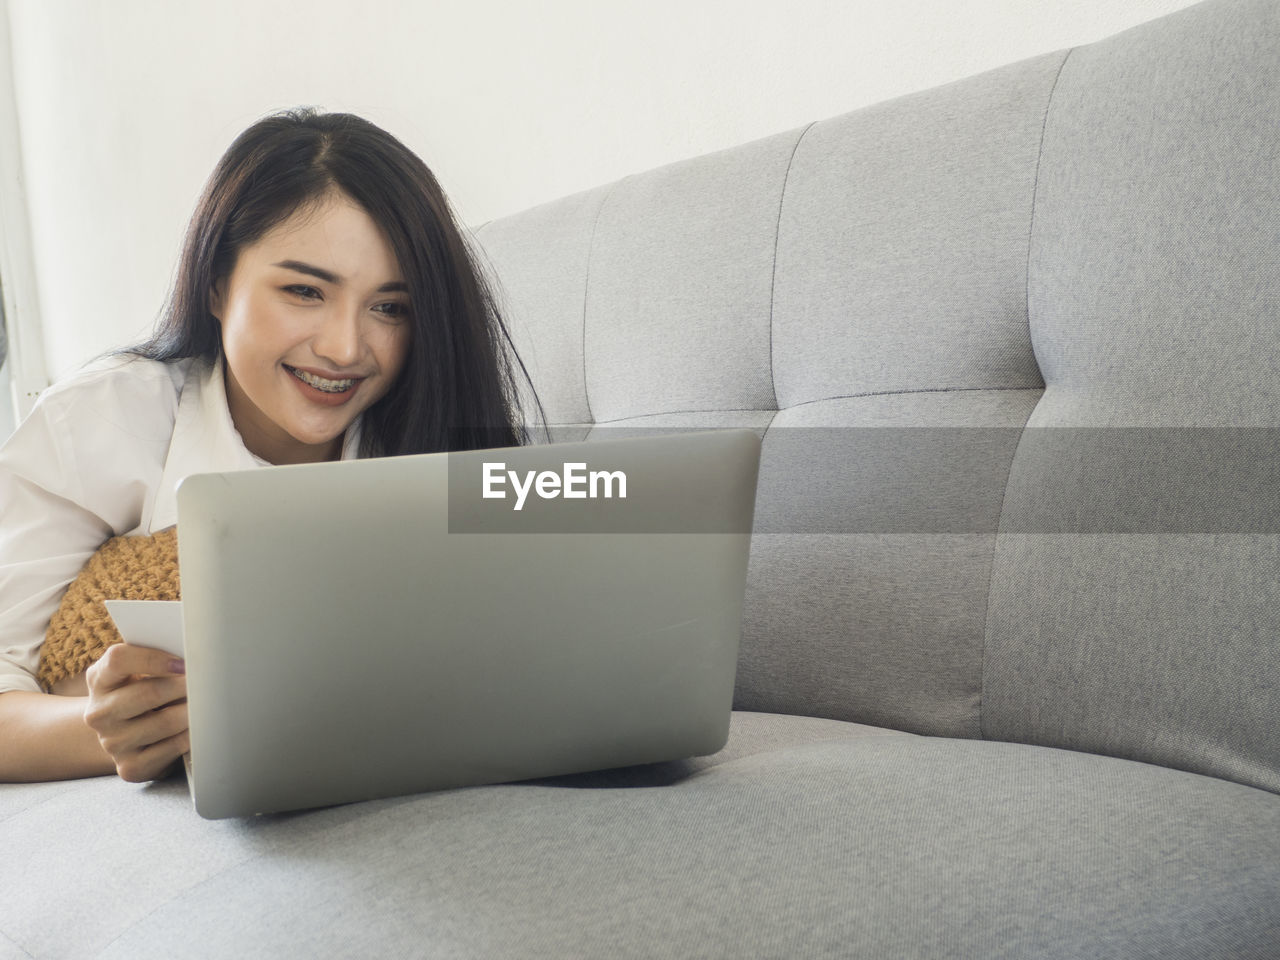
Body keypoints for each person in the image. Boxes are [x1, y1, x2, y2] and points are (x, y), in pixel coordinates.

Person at [0, 108, 538, 783]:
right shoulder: (102, 423)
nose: (345, 348)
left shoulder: (434, 432)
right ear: (218, 283)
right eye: (304, 291)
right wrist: (110, 728)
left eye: (389, 307)